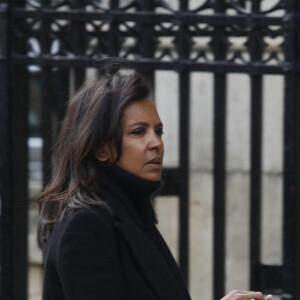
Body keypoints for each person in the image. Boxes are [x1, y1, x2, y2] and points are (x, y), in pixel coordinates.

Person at [37, 71, 272, 300]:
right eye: (139, 132)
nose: (156, 143)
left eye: (158, 131)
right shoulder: (86, 225)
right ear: (101, 149)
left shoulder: (131, 215)